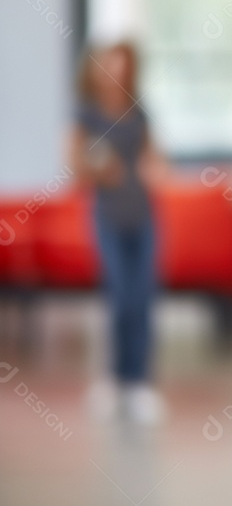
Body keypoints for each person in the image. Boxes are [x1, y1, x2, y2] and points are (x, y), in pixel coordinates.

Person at [71, 41, 166, 424]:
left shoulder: (138, 112)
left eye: (122, 64)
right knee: (120, 297)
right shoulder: (85, 116)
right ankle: (115, 380)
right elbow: (74, 165)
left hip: (143, 216)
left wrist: (155, 166)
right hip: (108, 217)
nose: (115, 71)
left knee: (143, 297)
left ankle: (139, 384)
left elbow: (155, 157)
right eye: (108, 63)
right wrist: (99, 168)